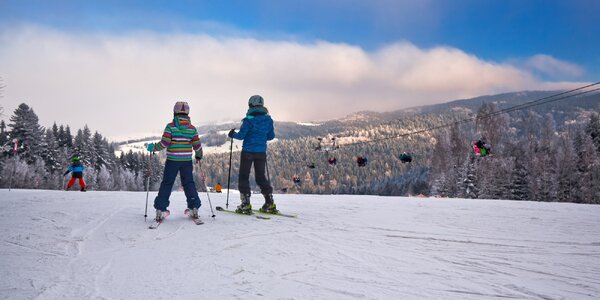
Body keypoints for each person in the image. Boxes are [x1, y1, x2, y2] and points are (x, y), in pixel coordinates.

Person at [147, 101, 203, 222]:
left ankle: (160, 209)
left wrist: (153, 148)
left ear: (174, 112)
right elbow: (197, 145)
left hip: (172, 160)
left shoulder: (170, 126)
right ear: (187, 113)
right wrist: (199, 156)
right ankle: (194, 207)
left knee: (167, 183)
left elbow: (164, 143)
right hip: (186, 161)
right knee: (188, 183)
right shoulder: (192, 129)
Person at [228, 95, 277, 214]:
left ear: (250, 105)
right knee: (261, 177)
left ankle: (245, 204)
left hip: (248, 152)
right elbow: (271, 136)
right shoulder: (268, 120)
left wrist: (232, 134)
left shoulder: (248, 119)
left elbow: (241, 136)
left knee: (244, 176)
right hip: (261, 152)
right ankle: (269, 203)